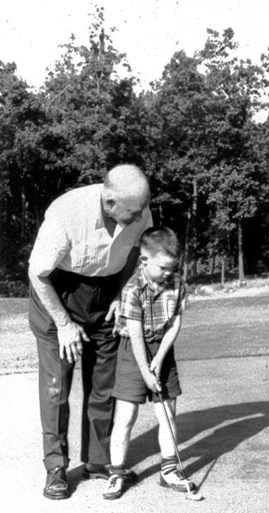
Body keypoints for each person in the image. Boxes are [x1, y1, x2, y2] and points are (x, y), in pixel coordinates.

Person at [29, 164, 152, 500]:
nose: (141, 216)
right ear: (109, 201)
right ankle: (56, 467)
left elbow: (136, 251)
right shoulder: (66, 214)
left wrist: (119, 293)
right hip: (57, 291)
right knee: (57, 388)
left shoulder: (138, 209)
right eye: (133, 211)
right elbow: (37, 273)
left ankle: (99, 462)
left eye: (143, 209)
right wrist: (64, 324)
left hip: (104, 293)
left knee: (104, 385)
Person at [102, 226, 195, 500]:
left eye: (173, 267)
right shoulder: (132, 289)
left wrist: (160, 359)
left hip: (162, 349)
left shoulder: (177, 284)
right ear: (144, 261)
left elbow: (175, 323)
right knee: (127, 415)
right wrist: (145, 369)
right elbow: (134, 332)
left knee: (168, 410)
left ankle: (169, 470)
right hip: (133, 351)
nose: (169, 273)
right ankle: (116, 473)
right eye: (164, 268)